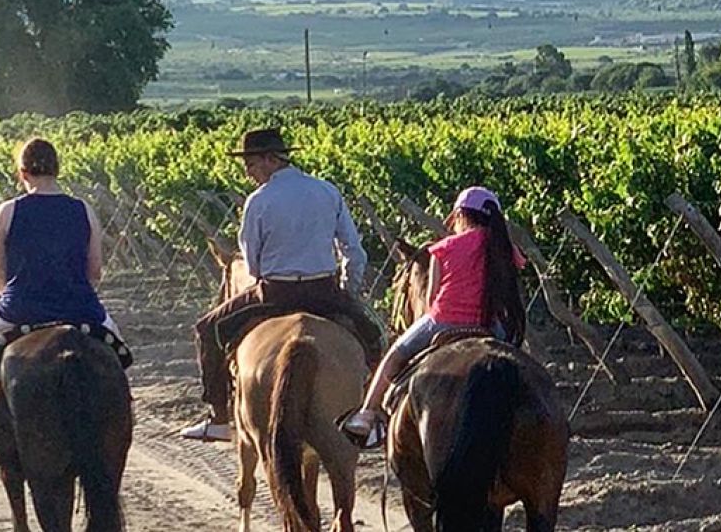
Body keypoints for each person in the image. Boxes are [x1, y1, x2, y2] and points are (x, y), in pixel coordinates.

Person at [181, 127, 384, 442]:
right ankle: (374, 414)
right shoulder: (327, 191)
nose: (247, 172)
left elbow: (253, 263)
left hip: (275, 292)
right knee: (376, 336)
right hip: (325, 290)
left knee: (207, 329)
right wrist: (347, 289)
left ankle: (219, 417)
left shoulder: (259, 201)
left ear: (269, 159)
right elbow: (354, 251)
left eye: (250, 163)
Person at [0, 138, 119, 468]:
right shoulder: (84, 210)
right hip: (82, 308)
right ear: (57, 168)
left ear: (22, 173)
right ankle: (118, 424)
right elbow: (95, 271)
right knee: (118, 357)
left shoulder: (7, 211)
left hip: (19, 308)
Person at [340, 186, 527, 446]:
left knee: (395, 354)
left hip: (444, 320)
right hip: (492, 326)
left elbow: (430, 300)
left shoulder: (444, 247)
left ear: (461, 215)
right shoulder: (506, 249)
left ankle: (367, 414)